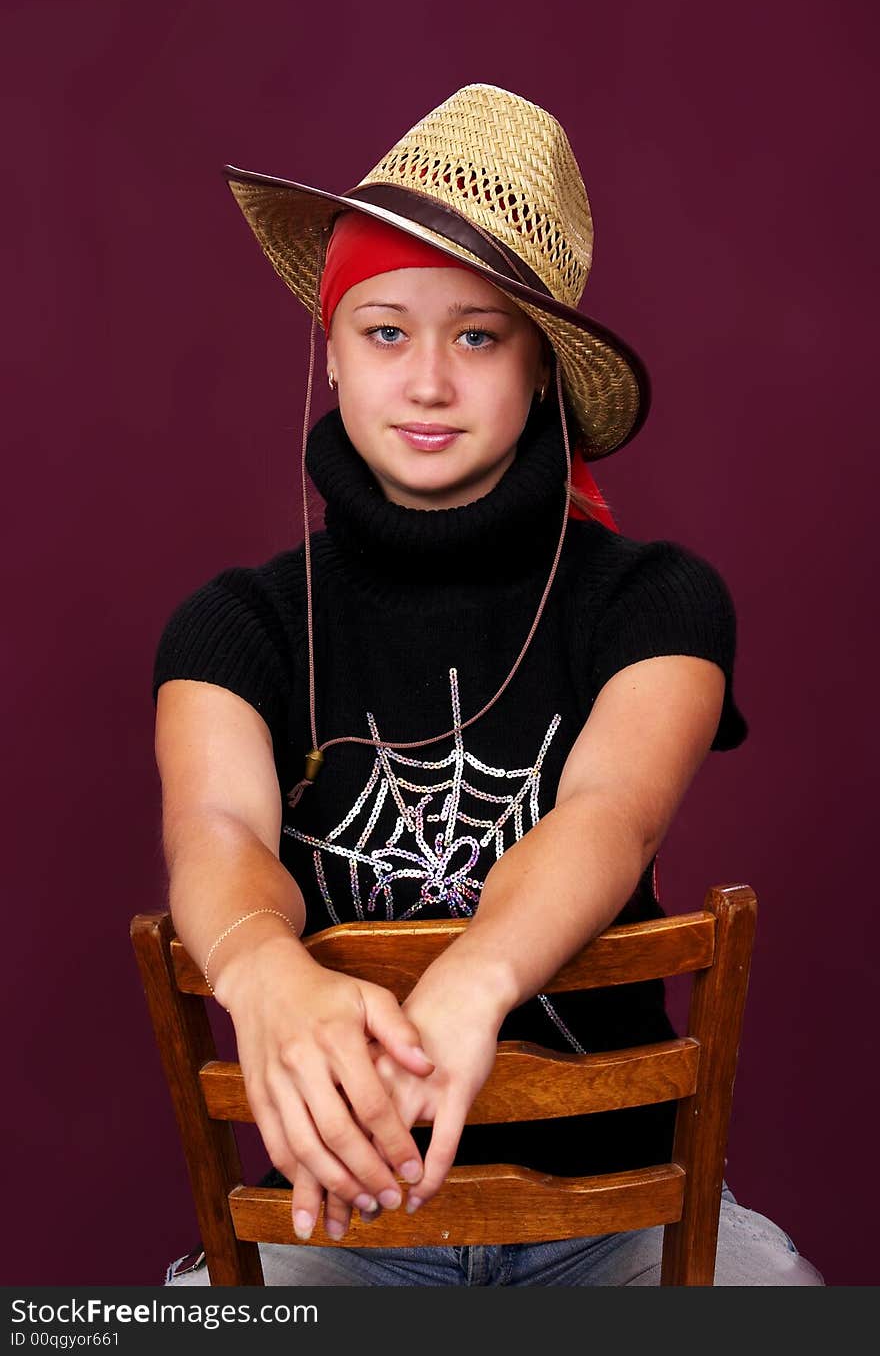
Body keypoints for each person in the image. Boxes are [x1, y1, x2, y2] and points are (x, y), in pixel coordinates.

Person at [152, 84, 822, 1285]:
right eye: (384, 330)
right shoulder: (236, 624)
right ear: (332, 348)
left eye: (476, 335)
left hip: (620, 1211)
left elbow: (607, 811)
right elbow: (215, 826)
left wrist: (477, 976)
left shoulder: (656, 603)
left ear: (539, 368)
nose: (426, 383)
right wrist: (258, 964)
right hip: (336, 1216)